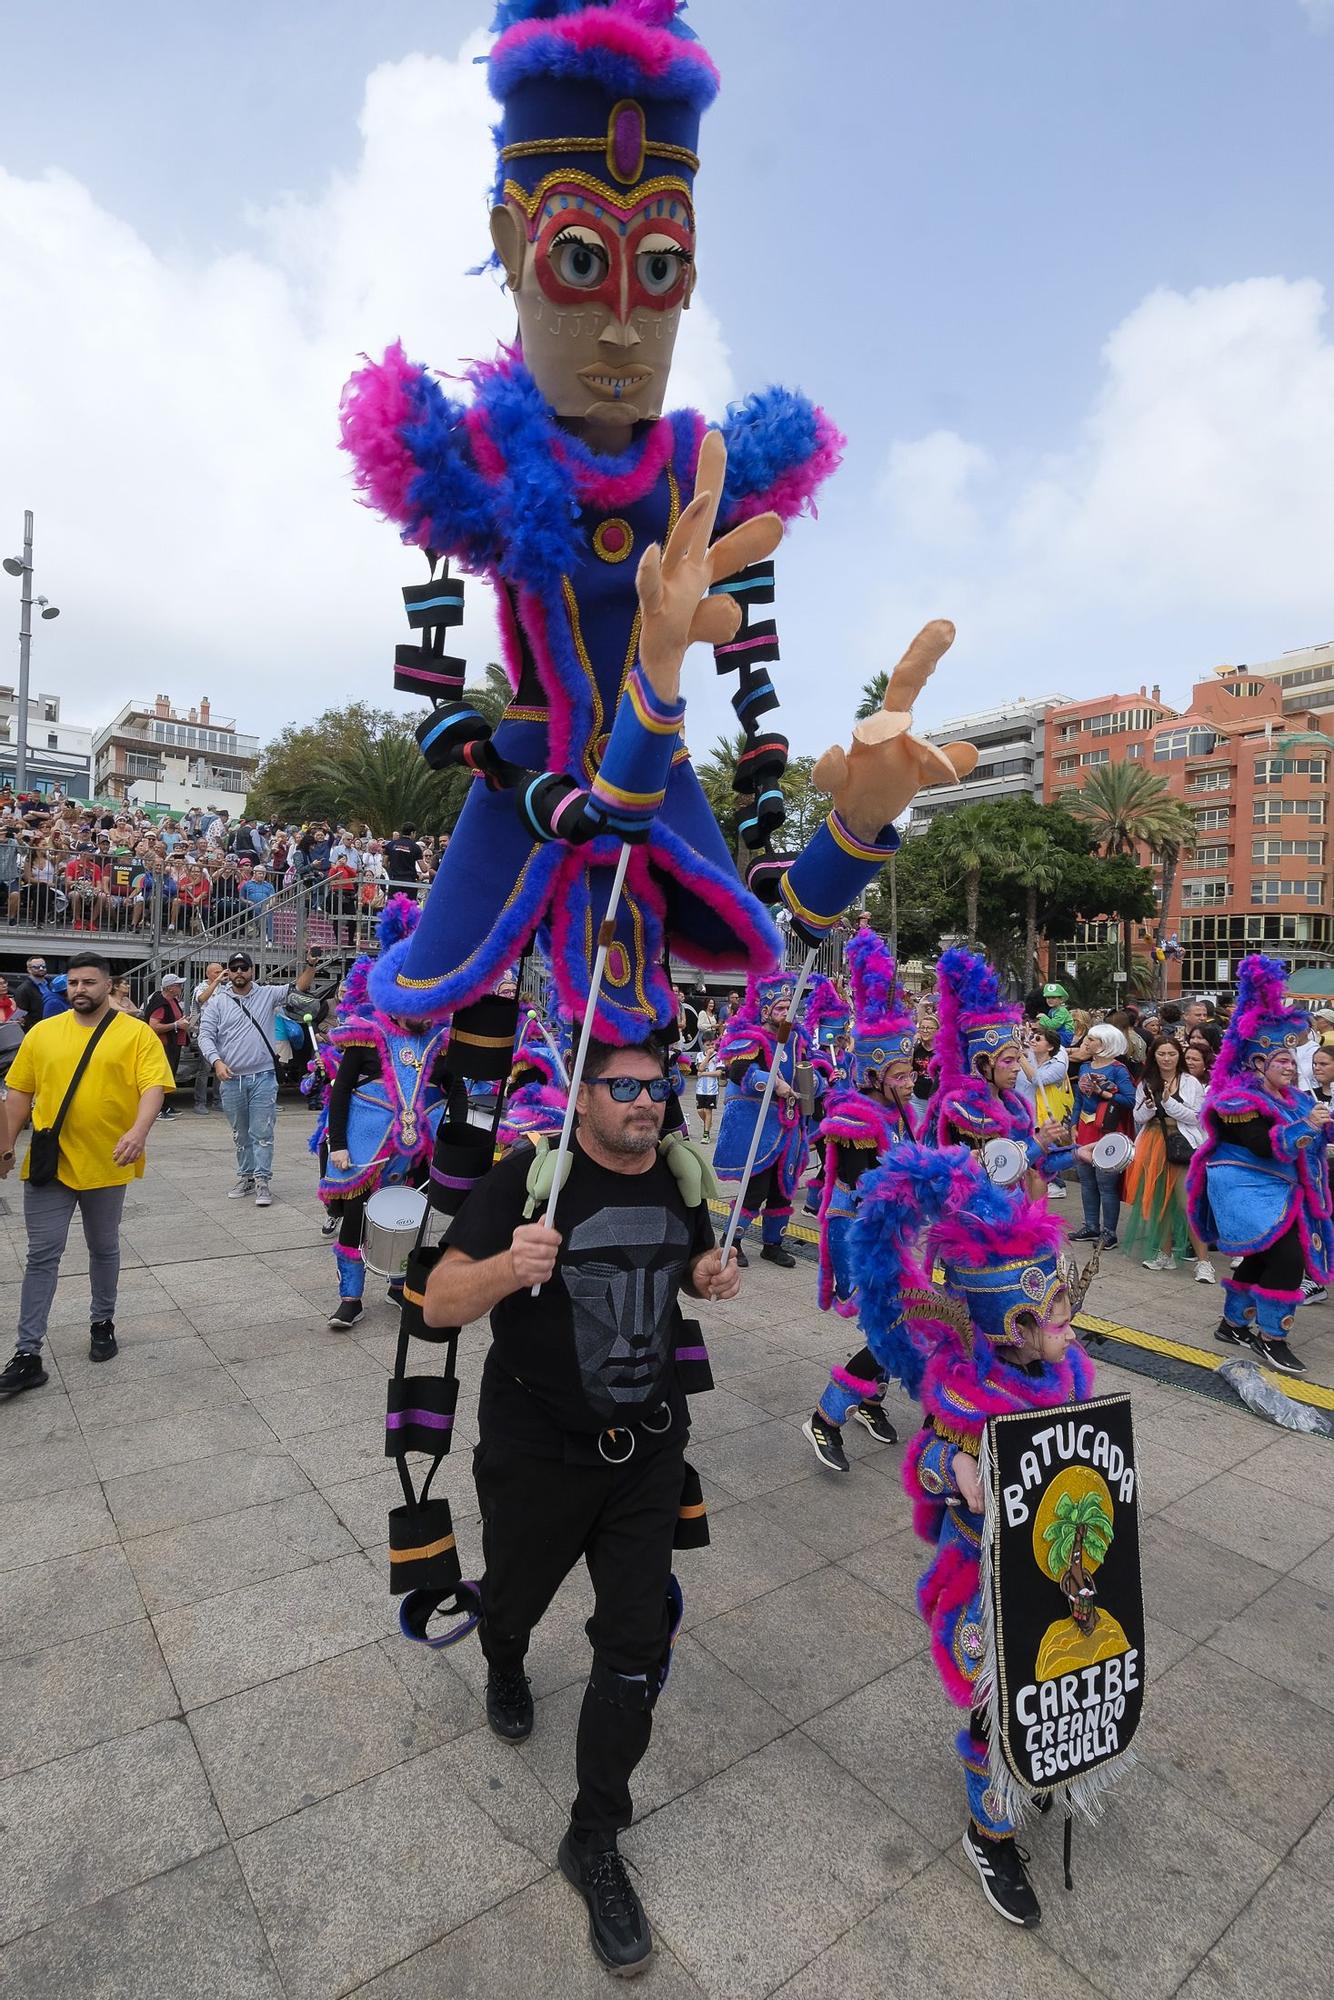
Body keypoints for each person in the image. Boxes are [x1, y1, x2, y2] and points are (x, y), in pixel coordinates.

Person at [423, 1034, 738, 1975]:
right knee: (513, 1596)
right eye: (625, 1087)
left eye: (657, 1086)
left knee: (636, 1644)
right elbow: (439, 1301)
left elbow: (685, 1270)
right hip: (538, 1450)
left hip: (646, 1451)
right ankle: (505, 1653)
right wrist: (506, 1269)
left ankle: (593, 1835)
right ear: (583, 1093)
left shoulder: (683, 1180)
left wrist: (706, 1276)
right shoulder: (528, 1178)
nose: (646, 1102)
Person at [849, 1141, 1100, 1929]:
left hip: (1064, 1568)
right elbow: (929, 1461)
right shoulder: (965, 1394)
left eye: (1063, 1302)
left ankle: (1047, 1757)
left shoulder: (1070, 1373)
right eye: (1051, 1310)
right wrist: (955, 1473)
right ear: (1009, 1326)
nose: (1066, 1320)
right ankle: (988, 1830)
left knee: (1062, 1676)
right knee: (998, 1703)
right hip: (991, 1581)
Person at [0, 951, 174, 1395]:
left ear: (107, 985)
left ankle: (102, 1322)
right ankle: (27, 1353)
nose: (80, 989)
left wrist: (138, 1131)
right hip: (50, 1162)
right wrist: (4, 1146)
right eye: (74, 982)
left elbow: (153, 1085)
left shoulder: (135, 1034)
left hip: (107, 1160)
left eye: (89, 983)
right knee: (42, 1254)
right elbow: (18, 1093)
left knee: (103, 1247)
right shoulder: (42, 1033)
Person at [805, 925, 917, 1473]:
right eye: (900, 1070)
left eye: (912, 1067)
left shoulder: (903, 1113)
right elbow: (867, 1181)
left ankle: (870, 1399)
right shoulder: (853, 1116)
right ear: (873, 1072)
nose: (911, 1077)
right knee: (893, 1329)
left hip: (894, 1233)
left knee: (898, 1324)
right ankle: (826, 1416)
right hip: (859, 1235)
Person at [1188, 955, 1334, 1375]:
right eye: (1282, 1061)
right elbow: (1261, 1146)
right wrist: (1305, 1127)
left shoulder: (1299, 1098)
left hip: (1285, 1190)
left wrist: (1322, 1125)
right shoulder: (1236, 1101)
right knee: (1287, 1259)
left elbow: (1316, 1133)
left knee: (1263, 1256)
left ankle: (1232, 1325)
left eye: (1293, 1060)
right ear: (1257, 1062)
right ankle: (1272, 1337)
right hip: (1246, 1189)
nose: (1292, 1066)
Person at [198, 948, 321, 1206]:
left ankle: (263, 1179)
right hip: (231, 1080)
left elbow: (298, 987)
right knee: (240, 1134)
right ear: (228, 972)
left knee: (262, 1132)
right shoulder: (218, 1001)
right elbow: (205, 1035)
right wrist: (216, 1061)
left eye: (244, 968)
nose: (239, 972)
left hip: (263, 1077)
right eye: (234, 968)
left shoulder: (267, 994)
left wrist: (310, 965)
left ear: (252, 971)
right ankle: (246, 1176)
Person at [714, 975, 821, 1269]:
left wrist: (817, 1081)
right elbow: (739, 1073)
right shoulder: (754, 1037)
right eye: (779, 1009)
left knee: (783, 1188)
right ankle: (732, 1241)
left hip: (790, 1126)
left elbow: (812, 1066)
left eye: (789, 1007)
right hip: (760, 1128)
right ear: (765, 1011)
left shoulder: (798, 1038)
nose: (786, 1013)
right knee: (756, 1189)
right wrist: (773, 1083)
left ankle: (773, 1245)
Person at [1122, 1037, 1212, 1279]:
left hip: (1182, 1145)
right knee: (1159, 1202)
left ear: (1178, 1056)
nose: (1166, 1058)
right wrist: (1152, 1106)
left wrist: (1167, 1102)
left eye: (1171, 1053)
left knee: (1187, 1204)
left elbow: (1196, 1117)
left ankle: (1204, 1262)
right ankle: (1165, 1253)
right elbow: (1139, 1117)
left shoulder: (1190, 1082)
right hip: (1153, 1144)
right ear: (1154, 1056)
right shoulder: (1146, 1082)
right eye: (1161, 1054)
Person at [1068, 1024, 1136, 1250]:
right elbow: (1078, 1100)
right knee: (1086, 1180)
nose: (1086, 1042)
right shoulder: (1086, 1065)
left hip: (1108, 1130)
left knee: (1106, 1183)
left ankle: (1109, 1232)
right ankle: (1091, 1226)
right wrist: (1073, 1125)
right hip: (1085, 1128)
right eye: (1087, 1038)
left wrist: (1103, 1092)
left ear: (1105, 1043)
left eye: (1092, 1039)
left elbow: (1130, 1100)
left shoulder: (1118, 1069)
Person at [1015, 1022, 1072, 1199]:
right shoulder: (1028, 1058)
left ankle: (1038, 1214)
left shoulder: (1057, 1066)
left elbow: (1036, 1079)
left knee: (1038, 1170)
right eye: (1032, 1037)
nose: (1033, 1041)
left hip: (1042, 1123)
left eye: (1038, 1039)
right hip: (1022, 1119)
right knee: (1024, 1167)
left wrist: (1020, 1058)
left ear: (1050, 1046)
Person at [144, 972, 190, 1119]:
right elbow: (153, 1026)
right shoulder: (161, 1003)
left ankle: (166, 1106)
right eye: (178, 985)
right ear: (170, 988)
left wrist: (181, 1022)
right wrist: (177, 1024)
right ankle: (158, 1109)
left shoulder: (172, 1000)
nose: (181, 987)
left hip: (173, 1044)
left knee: (169, 1075)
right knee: (162, 1077)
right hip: (164, 1045)